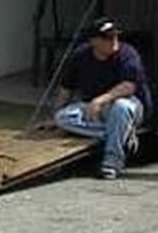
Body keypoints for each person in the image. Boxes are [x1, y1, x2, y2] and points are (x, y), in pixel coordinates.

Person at [53, 17, 150, 179]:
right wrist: (54, 119)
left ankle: (112, 161)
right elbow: (66, 88)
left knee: (121, 107)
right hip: (95, 110)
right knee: (62, 117)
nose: (113, 41)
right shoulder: (81, 55)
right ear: (94, 41)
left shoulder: (127, 53)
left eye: (115, 36)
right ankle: (121, 134)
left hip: (128, 105)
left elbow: (129, 86)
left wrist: (100, 100)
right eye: (107, 38)